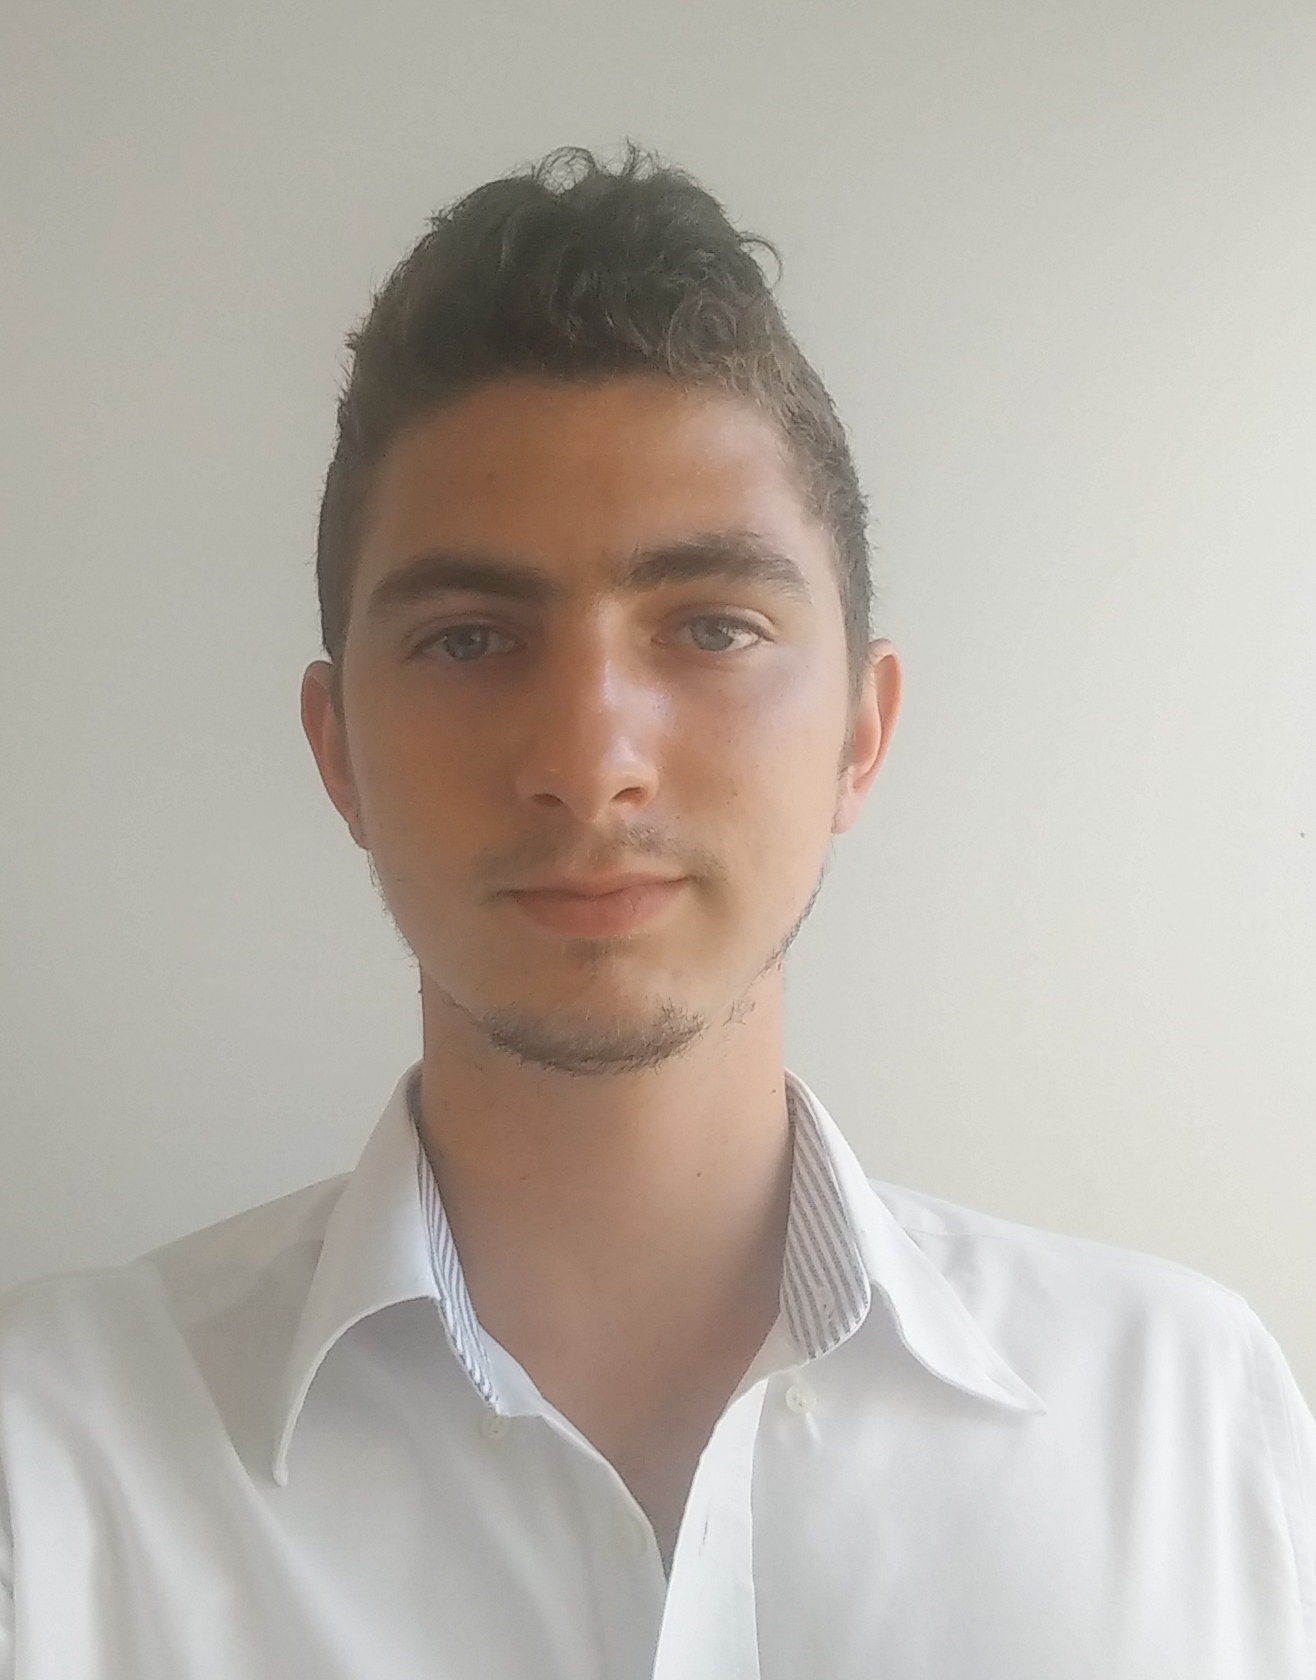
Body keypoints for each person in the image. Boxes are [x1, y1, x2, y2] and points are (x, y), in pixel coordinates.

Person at [1, 146, 1313, 1680]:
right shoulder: (51, 1460)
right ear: (336, 749)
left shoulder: (1186, 1424)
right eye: (469, 638)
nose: (591, 759)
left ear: (861, 732)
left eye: (712, 627)